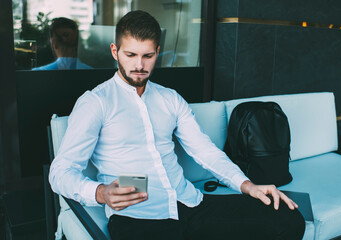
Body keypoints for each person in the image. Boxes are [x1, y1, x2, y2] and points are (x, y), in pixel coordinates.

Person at [49, 10, 305, 240]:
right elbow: (60, 172)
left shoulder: (170, 99)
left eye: (147, 56)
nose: (139, 65)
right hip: (137, 219)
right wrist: (101, 193)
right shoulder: (95, 102)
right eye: (131, 55)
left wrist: (247, 185)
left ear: (158, 52)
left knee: (287, 218)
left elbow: (205, 151)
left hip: (191, 205)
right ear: (115, 51)